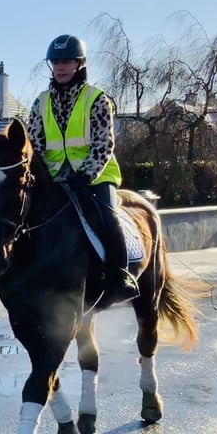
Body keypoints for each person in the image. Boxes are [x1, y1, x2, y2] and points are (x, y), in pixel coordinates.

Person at [26, 34, 139, 307]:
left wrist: (85, 175)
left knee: (108, 216)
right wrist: (41, 175)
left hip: (94, 177)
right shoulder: (41, 102)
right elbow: (34, 144)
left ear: (80, 64)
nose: (60, 67)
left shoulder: (97, 99)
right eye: (56, 62)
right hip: (53, 178)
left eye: (67, 61)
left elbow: (104, 143)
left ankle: (120, 276)